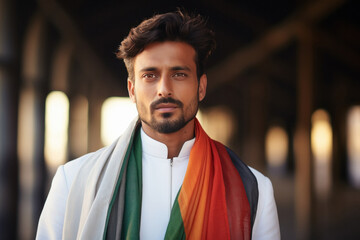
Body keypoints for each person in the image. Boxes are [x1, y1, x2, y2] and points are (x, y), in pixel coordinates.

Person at [36, 10, 280, 240]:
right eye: (149, 75)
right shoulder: (74, 181)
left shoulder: (253, 189)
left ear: (201, 86)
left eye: (179, 74)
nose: (164, 89)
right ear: (132, 90)